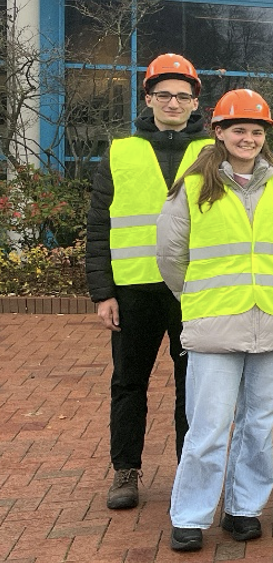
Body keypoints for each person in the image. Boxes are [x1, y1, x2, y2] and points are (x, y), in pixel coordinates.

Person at [156, 90, 273, 552]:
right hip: (216, 324)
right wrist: (200, 299)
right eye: (238, 129)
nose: (248, 138)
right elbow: (170, 257)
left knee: (259, 424)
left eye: (256, 131)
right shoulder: (192, 187)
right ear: (218, 132)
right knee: (209, 426)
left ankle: (244, 509)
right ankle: (190, 516)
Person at [85, 53, 211, 511]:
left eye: (182, 95)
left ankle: (188, 471)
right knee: (128, 383)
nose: (173, 103)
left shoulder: (213, 152)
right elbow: (99, 226)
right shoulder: (120, 152)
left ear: (195, 101)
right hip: (133, 291)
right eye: (164, 94)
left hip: (193, 290)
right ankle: (125, 470)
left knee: (191, 386)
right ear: (148, 98)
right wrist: (103, 292)